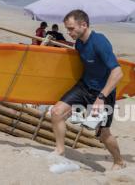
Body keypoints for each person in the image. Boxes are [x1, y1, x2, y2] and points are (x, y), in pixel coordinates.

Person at [51, 9, 126, 170]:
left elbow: (118, 72)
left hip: (102, 93)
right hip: (84, 86)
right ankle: (60, 149)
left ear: (83, 25)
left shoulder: (100, 41)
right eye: (67, 29)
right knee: (57, 112)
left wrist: (101, 97)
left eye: (71, 28)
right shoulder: (79, 42)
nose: (68, 32)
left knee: (103, 134)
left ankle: (119, 161)